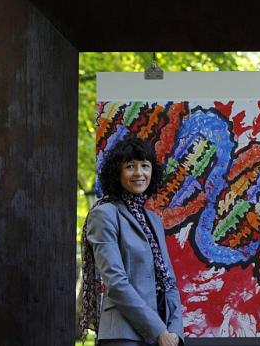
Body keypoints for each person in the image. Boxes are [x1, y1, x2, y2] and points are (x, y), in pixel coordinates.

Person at [79, 136, 184, 346]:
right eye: (130, 166)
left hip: (163, 335)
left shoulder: (153, 220)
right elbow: (116, 282)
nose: (139, 173)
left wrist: (174, 331)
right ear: (117, 172)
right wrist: (158, 330)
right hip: (124, 336)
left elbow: (169, 282)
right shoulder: (104, 214)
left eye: (145, 166)